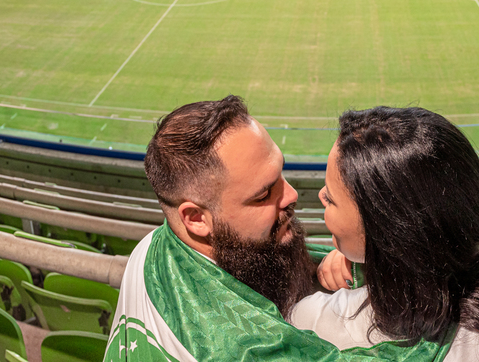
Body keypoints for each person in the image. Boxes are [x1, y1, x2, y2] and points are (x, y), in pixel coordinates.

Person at [105, 97, 453, 361]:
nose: (291, 195)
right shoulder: (238, 347)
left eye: (279, 175)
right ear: (196, 218)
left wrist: (350, 266)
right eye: (262, 195)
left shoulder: (159, 246)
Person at [290, 106, 479, 362]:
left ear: (387, 236)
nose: (321, 195)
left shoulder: (317, 321)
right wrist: (367, 262)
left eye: (332, 200)